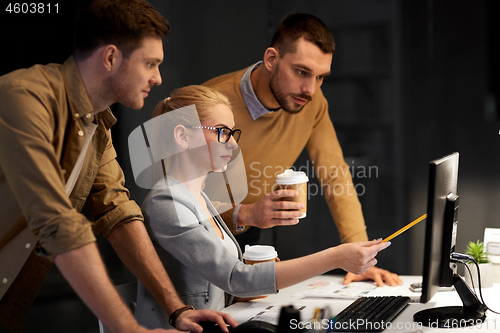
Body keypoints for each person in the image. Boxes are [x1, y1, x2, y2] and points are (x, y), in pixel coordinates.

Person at [0, 1, 236, 332]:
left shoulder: (98, 124)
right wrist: (131, 329)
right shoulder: (24, 98)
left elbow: (118, 212)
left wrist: (177, 309)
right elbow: (56, 222)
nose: (158, 78)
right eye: (150, 64)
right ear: (110, 58)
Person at [134, 85, 391, 328]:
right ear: (182, 136)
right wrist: (336, 257)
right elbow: (236, 278)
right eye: (222, 131)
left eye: (233, 133)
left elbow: (217, 283)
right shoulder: (165, 202)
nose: (233, 143)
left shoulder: (199, 198)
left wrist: (248, 288)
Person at [202, 13, 402, 287]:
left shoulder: (313, 103)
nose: (310, 89)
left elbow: (335, 174)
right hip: (199, 236)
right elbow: (173, 194)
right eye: (301, 72)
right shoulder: (211, 101)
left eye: (321, 77)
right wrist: (244, 213)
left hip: (248, 237)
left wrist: (358, 255)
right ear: (272, 59)